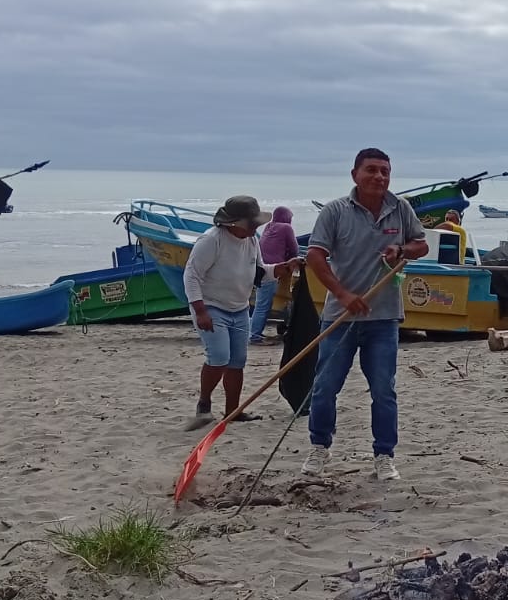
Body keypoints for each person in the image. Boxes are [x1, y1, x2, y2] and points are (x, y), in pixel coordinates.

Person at [301, 149, 429, 480]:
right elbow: (315, 255)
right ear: (354, 174)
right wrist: (343, 295)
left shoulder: (400, 208)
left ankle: (384, 456)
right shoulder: (335, 211)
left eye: (385, 171)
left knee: (384, 391)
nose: (379, 177)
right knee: (325, 387)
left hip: (383, 319)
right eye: (371, 170)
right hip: (339, 317)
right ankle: (319, 447)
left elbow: (421, 245)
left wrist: (401, 249)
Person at [182, 195, 303, 430]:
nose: (255, 227)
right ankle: (204, 405)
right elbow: (191, 276)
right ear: (234, 223)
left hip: (239, 308)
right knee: (219, 357)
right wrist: (200, 311)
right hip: (211, 305)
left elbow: (259, 273)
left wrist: (283, 268)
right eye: (251, 223)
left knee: (237, 361)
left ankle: (233, 411)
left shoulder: (251, 241)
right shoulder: (211, 240)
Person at [250, 206, 298, 343]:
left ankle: (254, 333)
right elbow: (294, 249)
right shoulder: (286, 228)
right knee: (263, 305)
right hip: (272, 271)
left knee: (260, 304)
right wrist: (290, 262)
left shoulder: (269, 226)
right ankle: (254, 336)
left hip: (261, 268)